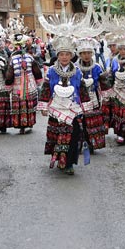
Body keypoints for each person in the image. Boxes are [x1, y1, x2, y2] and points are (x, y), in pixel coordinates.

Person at [38, 36, 86, 175]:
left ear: (71, 55)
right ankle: (60, 159)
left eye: (67, 54)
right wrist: (43, 106)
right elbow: (46, 88)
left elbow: (82, 89)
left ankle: (69, 163)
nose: (64, 57)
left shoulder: (77, 71)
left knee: (72, 137)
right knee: (57, 136)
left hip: (73, 108)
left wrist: (86, 107)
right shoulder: (52, 71)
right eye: (61, 54)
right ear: (57, 55)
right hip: (56, 108)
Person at [5, 33, 43, 134]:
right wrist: (38, 81)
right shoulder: (29, 58)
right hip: (29, 84)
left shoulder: (13, 59)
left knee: (20, 103)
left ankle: (20, 124)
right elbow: (36, 71)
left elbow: (9, 74)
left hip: (18, 85)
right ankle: (28, 122)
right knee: (27, 104)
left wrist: (8, 86)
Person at [76, 37, 106, 151]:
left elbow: (104, 83)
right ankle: (79, 143)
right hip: (79, 99)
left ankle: (92, 143)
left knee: (91, 121)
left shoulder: (97, 67)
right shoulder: (75, 67)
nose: (86, 55)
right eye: (83, 53)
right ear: (80, 54)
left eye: (88, 53)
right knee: (80, 121)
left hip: (94, 98)